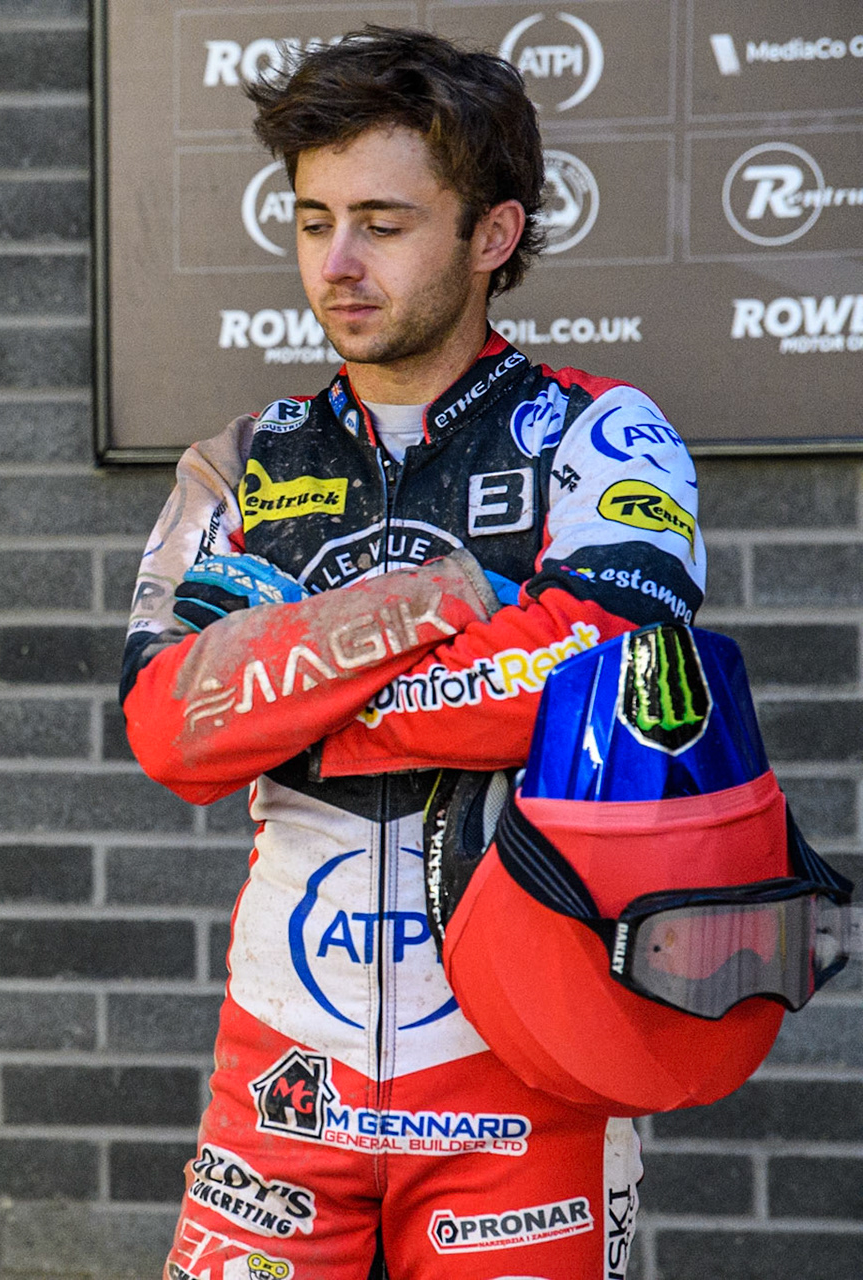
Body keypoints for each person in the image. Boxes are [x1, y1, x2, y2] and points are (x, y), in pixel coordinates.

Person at [120, 28, 702, 1280]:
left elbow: (607, 670)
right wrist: (448, 603)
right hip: (284, 1070)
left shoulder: (601, 431)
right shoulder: (240, 460)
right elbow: (170, 724)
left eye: (382, 223)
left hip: (529, 1069)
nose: (337, 262)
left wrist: (294, 687)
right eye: (313, 220)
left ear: (493, 235)